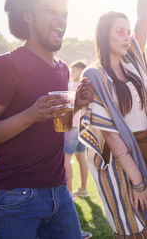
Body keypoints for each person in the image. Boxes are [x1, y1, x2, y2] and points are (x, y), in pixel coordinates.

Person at [0, 0, 94, 238]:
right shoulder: (5, 66)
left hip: (59, 192)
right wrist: (29, 115)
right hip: (14, 197)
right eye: (51, 10)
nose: (60, 18)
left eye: (63, 13)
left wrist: (77, 105)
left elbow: (58, 125)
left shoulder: (61, 68)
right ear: (28, 16)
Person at [78, 0, 147, 238]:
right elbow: (109, 133)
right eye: (118, 31)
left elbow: (144, 14)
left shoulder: (133, 60)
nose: (126, 36)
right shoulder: (94, 74)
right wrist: (137, 180)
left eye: (127, 30)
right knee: (132, 228)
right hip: (123, 157)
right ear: (104, 35)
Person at [64, 60, 89, 200]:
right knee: (81, 157)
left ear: (80, 70)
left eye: (74, 70)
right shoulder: (88, 87)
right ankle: (83, 189)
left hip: (72, 126)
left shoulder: (73, 86)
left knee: (66, 158)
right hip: (82, 125)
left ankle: (70, 192)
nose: (71, 72)